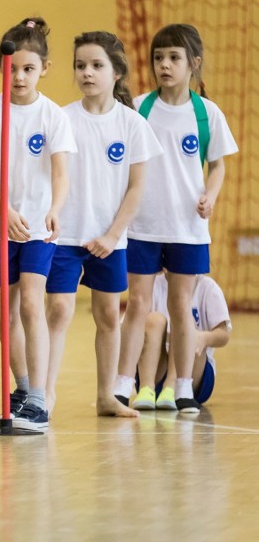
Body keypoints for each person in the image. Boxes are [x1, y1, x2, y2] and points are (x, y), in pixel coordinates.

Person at [114, 24, 238, 413]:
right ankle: (122, 384)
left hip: (187, 227)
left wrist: (210, 195)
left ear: (193, 64)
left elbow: (217, 165)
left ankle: (182, 385)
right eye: (158, 58)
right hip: (142, 226)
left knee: (182, 306)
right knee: (138, 303)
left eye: (173, 58)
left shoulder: (207, 113)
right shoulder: (138, 108)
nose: (164, 65)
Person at [0, 17, 74, 431]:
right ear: (2, 67)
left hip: (38, 225)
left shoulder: (54, 117)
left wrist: (56, 208)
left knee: (32, 303)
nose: (20, 76)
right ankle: (23, 388)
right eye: (14, 69)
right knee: (5, 317)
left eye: (29, 68)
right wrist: (4, 211)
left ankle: (40, 399)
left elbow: (61, 173)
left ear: (44, 68)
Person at [44, 31, 162, 419]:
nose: (87, 73)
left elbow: (137, 188)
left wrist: (113, 235)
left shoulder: (132, 125)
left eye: (96, 65)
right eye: (80, 66)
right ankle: (45, 396)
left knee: (109, 316)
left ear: (117, 73)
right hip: (64, 235)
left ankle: (106, 396)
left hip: (110, 239)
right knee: (59, 310)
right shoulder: (60, 119)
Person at [133, 272, 231, 410]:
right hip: (157, 370)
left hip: (193, 375)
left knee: (183, 323)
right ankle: (146, 388)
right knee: (153, 321)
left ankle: (172, 387)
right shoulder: (153, 285)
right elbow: (131, 329)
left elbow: (224, 335)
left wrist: (203, 338)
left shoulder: (208, 288)